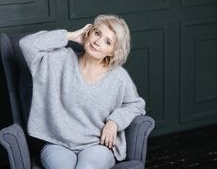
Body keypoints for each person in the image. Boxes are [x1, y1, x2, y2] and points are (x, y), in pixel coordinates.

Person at [19, 14, 146, 169]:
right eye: (97, 33)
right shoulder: (59, 60)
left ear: (113, 51)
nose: (98, 42)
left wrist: (114, 122)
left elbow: (136, 104)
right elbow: (26, 45)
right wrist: (69, 36)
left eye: (108, 41)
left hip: (97, 145)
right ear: (89, 32)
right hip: (58, 144)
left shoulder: (118, 77)